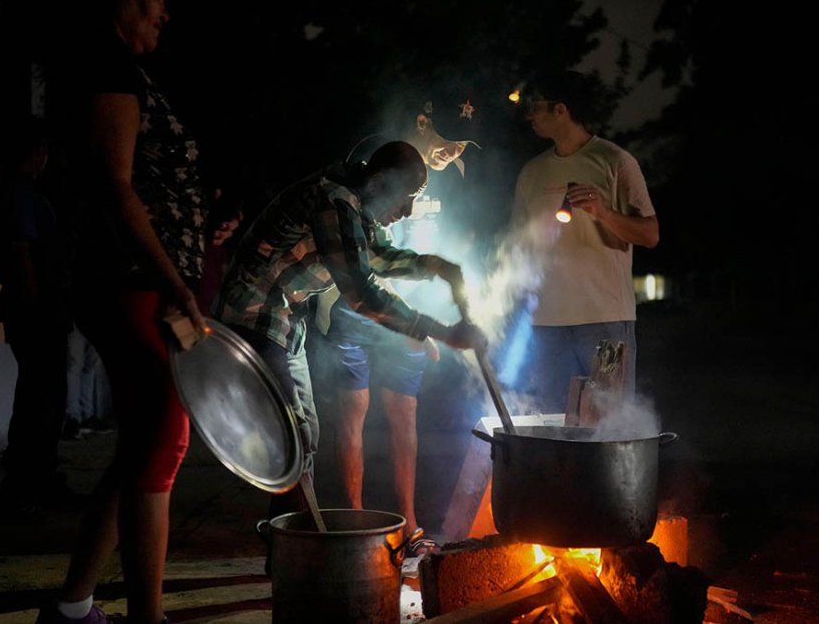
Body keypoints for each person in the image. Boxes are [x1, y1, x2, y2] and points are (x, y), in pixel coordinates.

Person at [38, 0, 210, 622]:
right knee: (165, 434)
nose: (168, 7)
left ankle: (73, 607)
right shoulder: (105, 68)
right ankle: (148, 617)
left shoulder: (119, 68)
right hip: (128, 279)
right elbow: (114, 184)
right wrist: (172, 276)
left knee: (143, 443)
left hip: (138, 278)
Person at [214, 140, 487, 538]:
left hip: (284, 324)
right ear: (378, 181)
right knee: (295, 439)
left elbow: (378, 256)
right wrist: (441, 332)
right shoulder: (333, 200)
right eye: (407, 197)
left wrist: (436, 267)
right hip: (255, 318)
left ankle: (291, 548)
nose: (408, 210)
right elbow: (362, 292)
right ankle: (296, 550)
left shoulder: (354, 204)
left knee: (305, 439)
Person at [314, 96, 480, 547]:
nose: (455, 152)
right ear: (423, 122)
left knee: (403, 413)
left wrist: (429, 312)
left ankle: (408, 525)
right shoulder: (376, 160)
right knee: (354, 409)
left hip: (408, 308)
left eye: (463, 145)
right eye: (450, 141)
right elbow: (362, 260)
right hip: (357, 303)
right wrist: (427, 327)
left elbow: (457, 237)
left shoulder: (455, 180)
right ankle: (353, 525)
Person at [511, 70, 659, 412]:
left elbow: (650, 234)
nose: (529, 114)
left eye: (536, 107)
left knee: (607, 427)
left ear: (560, 110)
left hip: (605, 323)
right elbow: (517, 245)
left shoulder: (615, 161)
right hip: (547, 326)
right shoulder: (532, 173)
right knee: (554, 427)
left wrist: (604, 213)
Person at [0, 117, 75, 523]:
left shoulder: (16, 190)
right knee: (39, 398)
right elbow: (22, 252)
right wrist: (39, 302)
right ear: (35, 152)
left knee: (43, 396)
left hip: (35, 308)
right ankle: (25, 484)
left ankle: (37, 479)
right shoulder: (20, 191)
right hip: (36, 310)